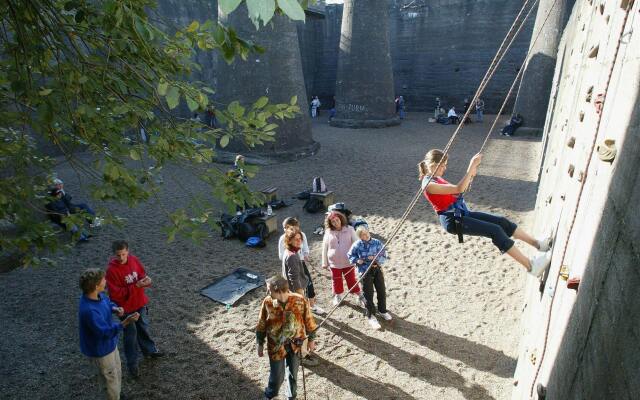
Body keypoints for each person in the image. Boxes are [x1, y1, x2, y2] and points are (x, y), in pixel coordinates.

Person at [418, 149, 552, 276]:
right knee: (495, 230)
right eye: (442, 166)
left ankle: (538, 244)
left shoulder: (436, 178)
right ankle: (531, 266)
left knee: (501, 222)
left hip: (462, 213)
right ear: (434, 165)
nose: (444, 168)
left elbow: (457, 191)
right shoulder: (429, 185)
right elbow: (458, 188)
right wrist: (471, 167)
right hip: (453, 220)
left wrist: (471, 175)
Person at [79, 268, 140, 400]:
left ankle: (117, 394)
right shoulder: (89, 310)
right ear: (96, 286)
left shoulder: (97, 295)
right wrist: (125, 322)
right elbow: (104, 332)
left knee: (117, 371)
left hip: (110, 344)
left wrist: (115, 308)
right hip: (101, 350)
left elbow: (106, 302)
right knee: (109, 379)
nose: (105, 281)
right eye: (103, 280)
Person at [106, 240, 163, 378]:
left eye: (123, 254)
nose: (121, 258)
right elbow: (115, 294)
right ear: (114, 254)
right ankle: (132, 364)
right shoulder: (111, 270)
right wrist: (135, 287)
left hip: (139, 302)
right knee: (130, 335)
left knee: (143, 327)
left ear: (128, 251)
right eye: (118, 255)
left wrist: (146, 280)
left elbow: (142, 275)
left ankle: (150, 350)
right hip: (124, 308)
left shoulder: (134, 260)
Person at [256, 275, 317, 400]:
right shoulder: (268, 302)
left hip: (296, 345)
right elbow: (261, 323)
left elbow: (309, 321)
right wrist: (260, 343)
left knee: (292, 374)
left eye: (269, 289)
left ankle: (291, 396)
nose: (267, 292)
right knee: (276, 375)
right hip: (276, 345)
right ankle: (271, 394)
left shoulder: (300, 300)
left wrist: (311, 340)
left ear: (278, 291)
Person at [347, 225, 392, 330]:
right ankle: (371, 316)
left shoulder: (376, 242)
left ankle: (382, 310)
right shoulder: (357, 245)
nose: (366, 236)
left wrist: (376, 259)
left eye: (367, 233)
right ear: (360, 237)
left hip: (377, 269)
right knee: (368, 294)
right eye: (363, 235)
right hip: (364, 272)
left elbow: (384, 254)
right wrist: (357, 260)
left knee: (381, 290)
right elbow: (350, 255)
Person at [278, 217, 325, 315]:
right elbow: (282, 256)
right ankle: (299, 309)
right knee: (294, 287)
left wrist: (305, 255)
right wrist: (293, 258)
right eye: (286, 228)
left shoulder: (302, 235)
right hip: (291, 264)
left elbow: (305, 248)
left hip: (301, 262)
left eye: (294, 227)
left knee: (308, 283)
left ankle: (312, 305)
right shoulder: (283, 240)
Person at [321, 211, 366, 307]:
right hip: (334, 263)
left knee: (351, 280)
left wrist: (360, 257)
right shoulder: (328, 232)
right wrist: (324, 262)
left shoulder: (349, 229)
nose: (336, 223)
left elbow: (357, 244)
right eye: (333, 222)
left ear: (341, 219)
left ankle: (359, 295)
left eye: (337, 220)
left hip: (348, 262)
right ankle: (337, 296)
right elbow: (324, 247)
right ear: (330, 223)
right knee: (336, 280)